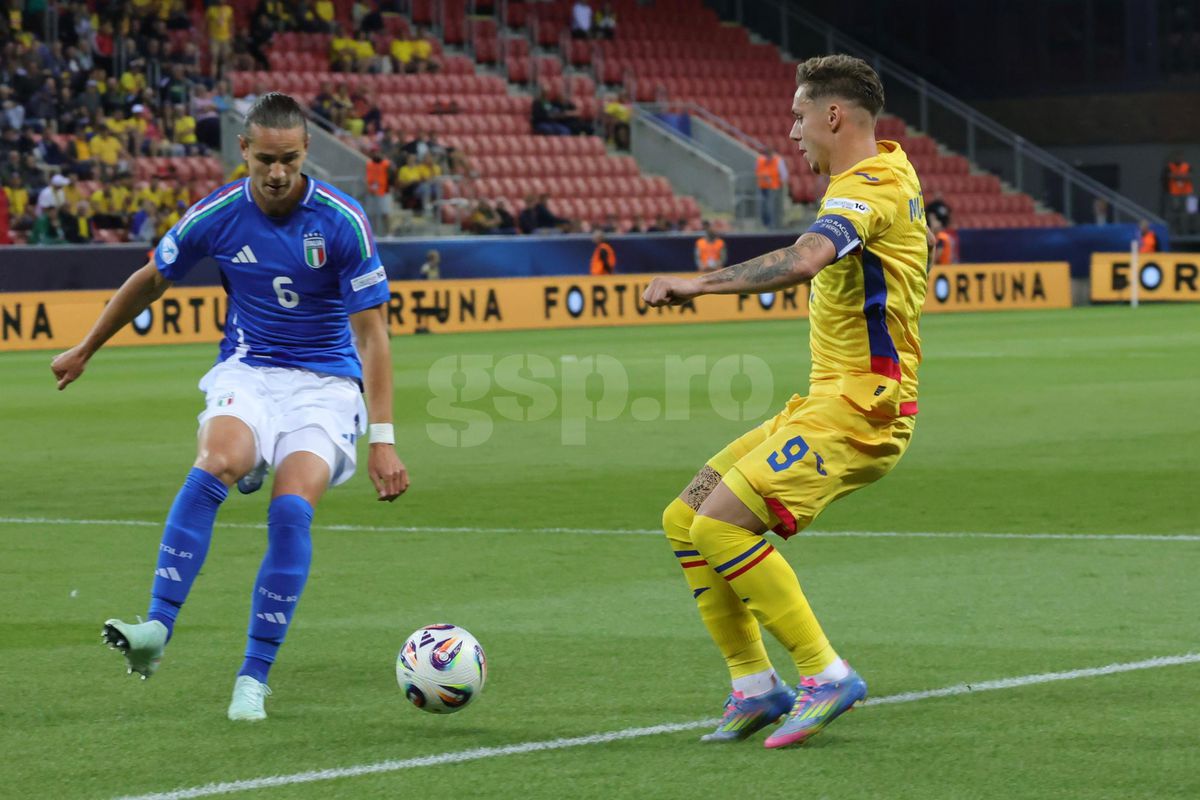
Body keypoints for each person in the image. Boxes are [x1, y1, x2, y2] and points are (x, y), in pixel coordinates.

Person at [50, 93, 408, 722]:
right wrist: (86, 348)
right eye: (266, 158)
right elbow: (153, 277)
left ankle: (254, 677)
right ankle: (156, 628)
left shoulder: (342, 221)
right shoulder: (216, 213)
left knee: (291, 511)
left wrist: (382, 438)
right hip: (249, 369)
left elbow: (373, 332)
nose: (277, 172)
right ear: (243, 150)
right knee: (217, 461)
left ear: (307, 153)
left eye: (290, 159)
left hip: (325, 387)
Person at [642, 54, 927, 749]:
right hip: (828, 400)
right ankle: (754, 686)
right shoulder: (882, 174)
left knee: (720, 527)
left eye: (800, 114)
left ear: (833, 115)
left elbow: (802, 260)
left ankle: (825, 673)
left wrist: (697, 284)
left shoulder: (875, 184)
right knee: (684, 519)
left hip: (865, 408)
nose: (792, 129)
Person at [755, 148, 787, 228]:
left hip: (774, 188)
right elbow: (757, 171)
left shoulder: (778, 161)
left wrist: (780, 186)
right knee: (764, 207)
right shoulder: (760, 160)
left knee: (772, 208)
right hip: (763, 187)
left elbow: (784, 175)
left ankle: (775, 225)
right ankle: (766, 224)